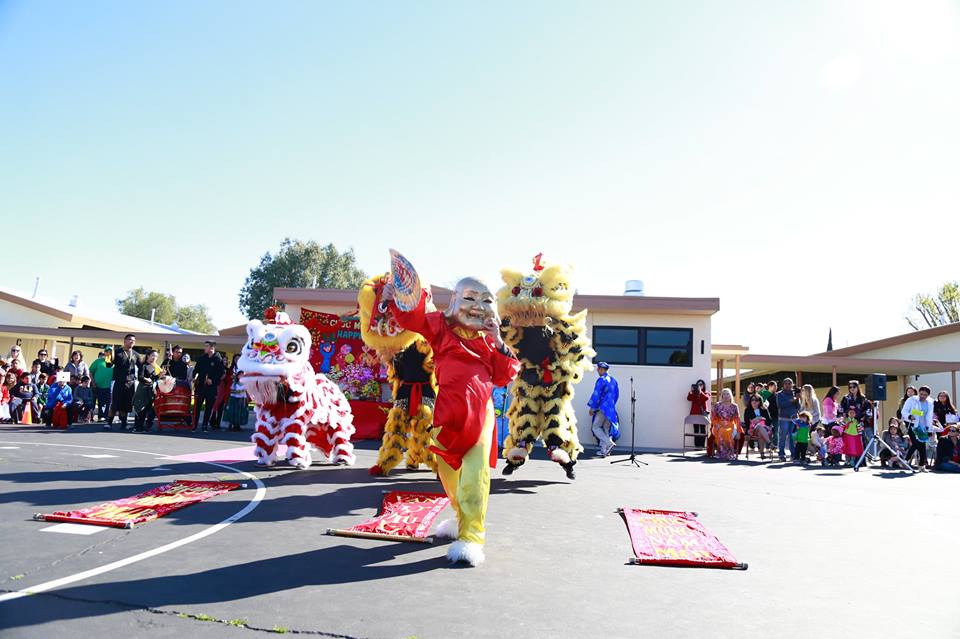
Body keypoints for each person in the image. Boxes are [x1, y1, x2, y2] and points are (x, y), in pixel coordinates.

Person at [385, 274, 521, 566]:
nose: (477, 306)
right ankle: (461, 518)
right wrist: (398, 295)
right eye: (470, 298)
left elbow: (504, 375)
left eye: (486, 301)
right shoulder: (441, 329)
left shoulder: (489, 343)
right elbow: (413, 317)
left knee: (475, 477)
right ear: (455, 301)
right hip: (446, 416)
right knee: (450, 478)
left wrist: (497, 340)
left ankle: (472, 537)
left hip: (479, 417)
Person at [106, 334, 141, 431]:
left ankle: (124, 424)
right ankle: (109, 423)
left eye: (133, 340)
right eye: (130, 339)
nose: (132, 341)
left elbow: (142, 367)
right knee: (114, 404)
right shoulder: (117, 352)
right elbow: (108, 365)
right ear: (124, 341)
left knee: (126, 405)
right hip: (118, 382)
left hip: (130, 383)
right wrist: (108, 356)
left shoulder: (136, 355)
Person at [192, 341, 225, 432]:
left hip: (211, 388)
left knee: (208, 407)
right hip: (200, 386)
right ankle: (194, 425)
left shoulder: (218, 359)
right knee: (197, 407)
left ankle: (204, 426)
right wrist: (194, 376)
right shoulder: (202, 358)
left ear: (212, 348)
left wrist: (213, 380)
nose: (204, 348)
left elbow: (222, 373)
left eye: (206, 346)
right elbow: (196, 370)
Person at [588, 363, 620, 457]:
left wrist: (592, 408)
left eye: (598, 369)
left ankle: (609, 443)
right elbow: (616, 395)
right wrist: (611, 405)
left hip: (602, 407)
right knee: (605, 428)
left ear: (602, 369)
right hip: (610, 408)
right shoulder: (613, 381)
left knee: (596, 427)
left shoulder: (601, 380)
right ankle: (604, 451)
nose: (597, 370)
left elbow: (596, 394)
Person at [902, 385, 936, 471]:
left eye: (925, 395)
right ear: (919, 393)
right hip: (913, 425)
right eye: (921, 394)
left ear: (928, 395)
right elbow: (904, 411)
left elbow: (929, 416)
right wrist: (910, 416)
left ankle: (918, 465)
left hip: (923, 426)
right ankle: (917, 464)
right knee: (917, 444)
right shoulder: (912, 400)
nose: (922, 396)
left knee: (920, 444)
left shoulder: (930, 403)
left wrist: (930, 429)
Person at [133, 350, 161, 432]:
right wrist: (147, 379)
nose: (154, 358)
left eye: (156, 356)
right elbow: (140, 377)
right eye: (152, 355)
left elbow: (155, 378)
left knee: (151, 409)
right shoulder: (143, 365)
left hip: (151, 389)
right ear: (148, 356)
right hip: (142, 389)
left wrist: (160, 375)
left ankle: (147, 426)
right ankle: (138, 427)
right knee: (141, 408)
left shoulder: (155, 366)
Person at [710, 388, 741, 461]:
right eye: (724, 394)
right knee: (721, 431)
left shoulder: (734, 406)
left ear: (730, 395)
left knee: (728, 431)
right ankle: (721, 453)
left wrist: (739, 431)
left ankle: (729, 453)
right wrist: (716, 424)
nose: (726, 396)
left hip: (731, 425)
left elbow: (737, 419)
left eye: (728, 394)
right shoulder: (717, 405)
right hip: (718, 425)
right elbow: (713, 417)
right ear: (722, 396)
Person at [775, 378, 800, 462]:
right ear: (783, 385)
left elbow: (798, 407)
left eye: (789, 383)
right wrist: (791, 401)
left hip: (794, 418)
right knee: (783, 437)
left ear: (792, 384)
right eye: (786, 383)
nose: (788, 385)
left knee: (792, 438)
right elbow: (780, 405)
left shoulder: (794, 393)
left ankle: (793, 454)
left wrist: (797, 400)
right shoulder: (779, 394)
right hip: (784, 418)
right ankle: (781, 454)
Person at [210, 353, 237, 430]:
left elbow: (227, 379)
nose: (225, 361)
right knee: (216, 404)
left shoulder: (227, 369)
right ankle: (212, 421)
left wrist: (228, 377)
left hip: (224, 389)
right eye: (223, 360)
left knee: (221, 406)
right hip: (218, 387)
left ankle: (218, 423)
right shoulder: (217, 368)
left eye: (226, 360)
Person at [743, 394, 772, 458]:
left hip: (764, 429)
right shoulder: (747, 410)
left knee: (760, 431)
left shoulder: (764, 409)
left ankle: (762, 454)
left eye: (756, 400)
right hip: (752, 430)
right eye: (752, 400)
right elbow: (747, 422)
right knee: (759, 426)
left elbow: (769, 421)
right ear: (750, 401)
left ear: (759, 402)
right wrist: (754, 420)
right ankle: (770, 443)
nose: (754, 401)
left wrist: (761, 418)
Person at [88, 348, 114, 422]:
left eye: (110, 352)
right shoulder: (98, 361)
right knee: (99, 402)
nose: (108, 353)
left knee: (108, 402)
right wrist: (93, 382)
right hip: (97, 385)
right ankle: (100, 416)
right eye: (107, 351)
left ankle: (106, 416)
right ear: (105, 352)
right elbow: (91, 372)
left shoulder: (114, 363)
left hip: (109, 386)